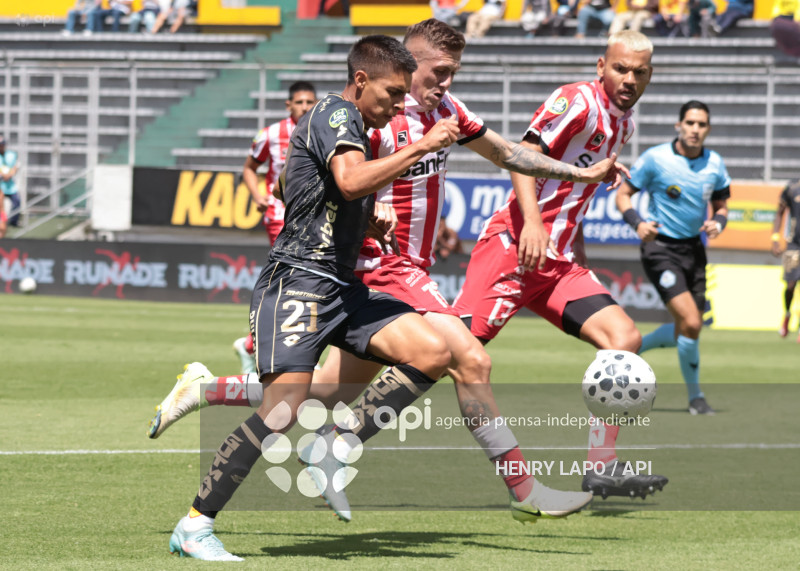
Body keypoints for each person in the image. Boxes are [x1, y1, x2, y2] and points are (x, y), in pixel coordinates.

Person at [149, 19, 625, 525]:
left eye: (454, 72)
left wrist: (580, 173)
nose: (446, 82)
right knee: (469, 360)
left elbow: (509, 154)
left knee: (323, 391)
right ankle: (520, 488)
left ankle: (205, 390)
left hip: (402, 266)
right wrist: (366, 206)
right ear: (408, 64)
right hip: (379, 266)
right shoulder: (368, 117)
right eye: (439, 71)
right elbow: (303, 181)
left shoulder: (447, 112)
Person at [166, 34, 462, 562]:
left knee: (432, 352)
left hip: (341, 285)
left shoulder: (349, 126)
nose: (400, 105)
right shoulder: (336, 113)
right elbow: (347, 182)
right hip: (298, 282)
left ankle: (332, 443)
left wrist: (364, 220)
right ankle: (195, 525)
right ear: (361, 80)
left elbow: (295, 186)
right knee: (281, 410)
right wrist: (420, 146)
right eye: (393, 94)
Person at [453, 30, 668, 499]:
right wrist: (532, 223)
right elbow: (523, 156)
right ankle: (343, 433)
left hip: (559, 264)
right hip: (514, 247)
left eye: (639, 72)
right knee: (447, 354)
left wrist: (578, 249)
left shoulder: (624, 125)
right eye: (620, 68)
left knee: (623, 339)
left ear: (650, 76)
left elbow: (575, 192)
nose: (629, 79)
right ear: (601, 66)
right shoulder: (577, 101)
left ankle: (602, 467)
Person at [616, 100, 731, 416]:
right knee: (691, 321)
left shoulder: (715, 164)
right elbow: (623, 195)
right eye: (690, 123)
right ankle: (696, 398)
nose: (695, 129)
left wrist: (719, 222)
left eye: (701, 124)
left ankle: (634, 348)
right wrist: (638, 223)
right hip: (660, 249)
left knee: (689, 330)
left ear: (708, 129)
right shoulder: (656, 158)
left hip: (694, 249)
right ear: (678, 125)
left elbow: (721, 206)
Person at [232, 81, 317, 375]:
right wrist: (258, 196)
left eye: (309, 102)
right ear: (288, 105)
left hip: (313, 215)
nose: (304, 107)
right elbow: (249, 167)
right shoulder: (271, 134)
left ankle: (252, 345)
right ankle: (289, 350)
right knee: (296, 277)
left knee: (299, 280)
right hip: (280, 214)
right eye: (299, 102)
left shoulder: (322, 130)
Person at [771, 179, 800, 341]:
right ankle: (787, 314)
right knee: (790, 286)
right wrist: (775, 238)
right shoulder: (792, 188)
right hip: (793, 245)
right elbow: (779, 212)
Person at [0, 135, 20, 228]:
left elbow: (15, 166)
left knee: (17, 202)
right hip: (1, 186)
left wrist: (10, 174)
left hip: (9, 185)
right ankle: (3, 222)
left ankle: (12, 222)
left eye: (2, 144)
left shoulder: (11, 154)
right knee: (1, 207)